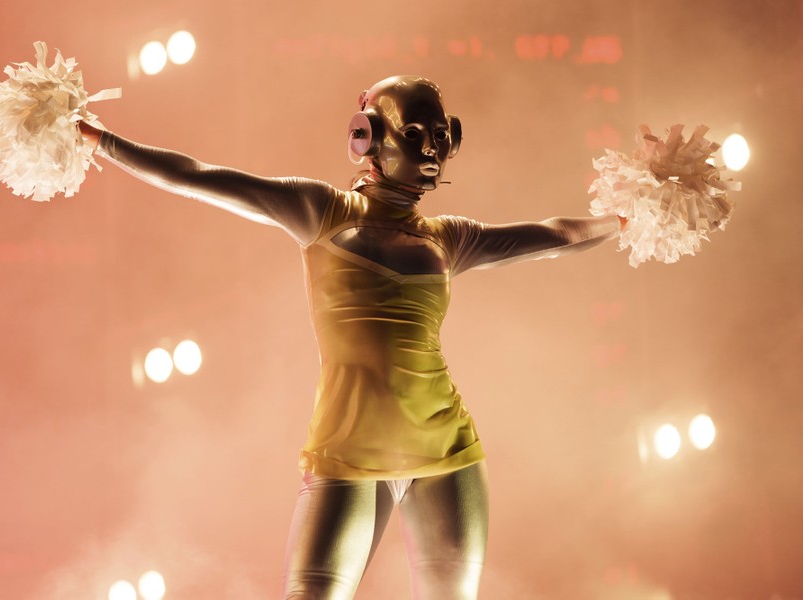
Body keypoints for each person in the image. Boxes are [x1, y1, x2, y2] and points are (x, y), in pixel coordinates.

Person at [79, 75, 624, 600]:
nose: (432, 149)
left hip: (448, 451)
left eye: (442, 137)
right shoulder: (322, 211)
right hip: (347, 452)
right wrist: (102, 141)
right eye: (415, 134)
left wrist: (627, 218)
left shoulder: (449, 237)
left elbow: (556, 235)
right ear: (365, 136)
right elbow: (197, 176)